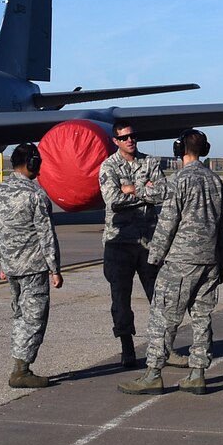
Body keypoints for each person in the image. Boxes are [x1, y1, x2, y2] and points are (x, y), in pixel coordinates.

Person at [120, 128, 223, 397]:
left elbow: (168, 222)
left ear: (179, 150)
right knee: (202, 317)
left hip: (181, 260)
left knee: (163, 317)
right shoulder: (215, 180)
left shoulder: (179, 180)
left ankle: (153, 374)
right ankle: (198, 374)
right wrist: (222, 261)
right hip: (209, 260)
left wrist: (154, 257)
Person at [0, 142, 61, 388]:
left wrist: (1, 262)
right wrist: (55, 269)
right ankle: (21, 370)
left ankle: (19, 365)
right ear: (32, 163)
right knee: (34, 318)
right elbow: (46, 235)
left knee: (19, 316)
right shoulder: (35, 194)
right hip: (33, 267)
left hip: (11, 268)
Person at [98, 125, 170, 367]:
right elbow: (113, 200)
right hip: (119, 244)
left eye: (133, 136)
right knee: (120, 300)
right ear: (115, 141)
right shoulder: (109, 166)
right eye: (124, 137)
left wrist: (131, 190)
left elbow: (163, 193)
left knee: (159, 298)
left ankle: (164, 347)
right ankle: (127, 348)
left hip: (148, 243)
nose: (130, 140)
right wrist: (145, 191)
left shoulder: (150, 162)